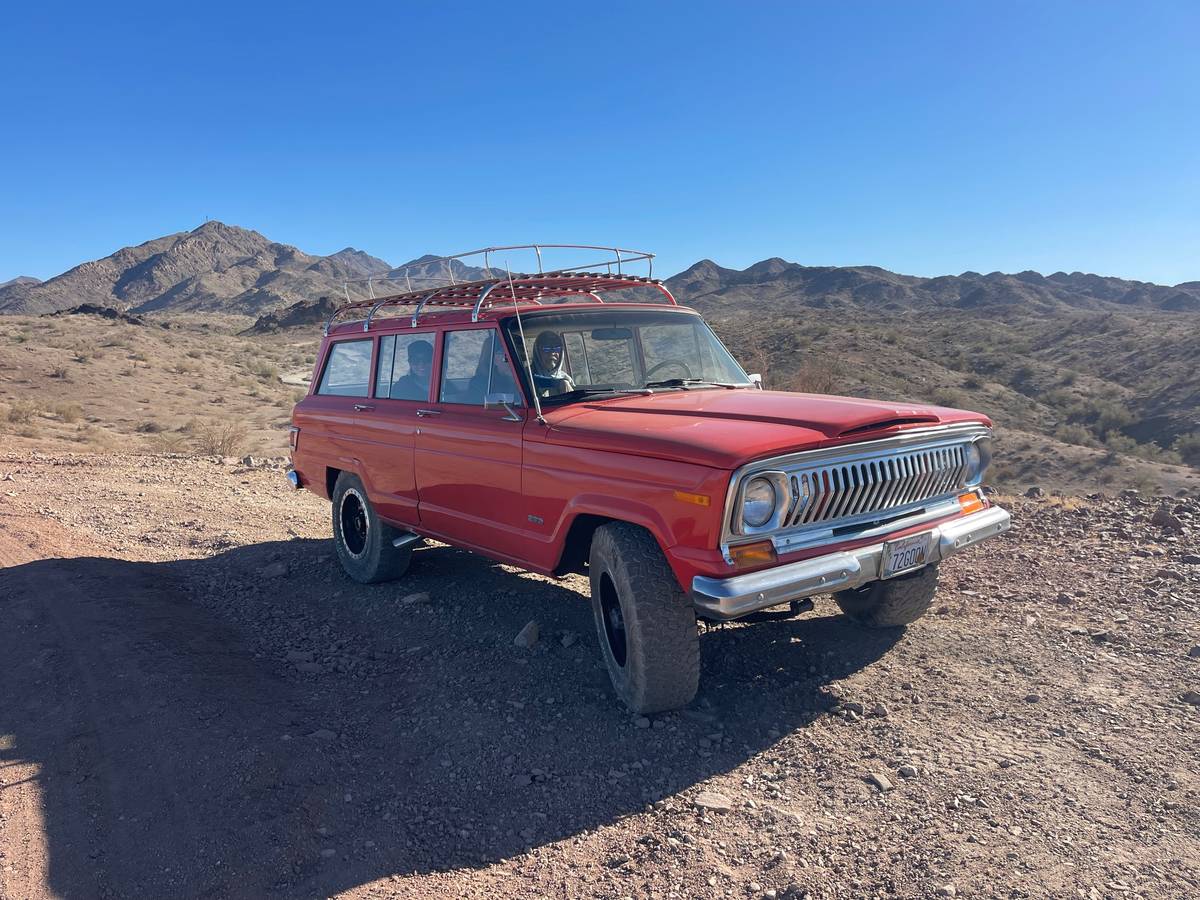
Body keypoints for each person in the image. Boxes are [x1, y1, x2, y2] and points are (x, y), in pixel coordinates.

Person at [531, 330, 575, 397]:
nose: (552, 353)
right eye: (546, 349)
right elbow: (534, 380)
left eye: (557, 349)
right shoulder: (525, 374)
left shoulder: (566, 378)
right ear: (537, 352)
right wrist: (557, 383)